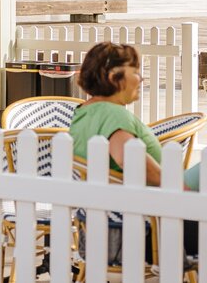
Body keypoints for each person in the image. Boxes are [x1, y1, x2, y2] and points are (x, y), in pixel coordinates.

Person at [69, 41, 199, 258]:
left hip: (105, 227)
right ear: (114, 77)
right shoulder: (113, 114)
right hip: (151, 227)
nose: (141, 78)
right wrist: (181, 188)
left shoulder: (82, 114)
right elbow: (128, 160)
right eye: (136, 72)